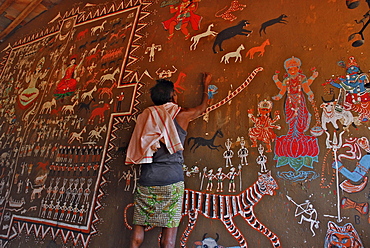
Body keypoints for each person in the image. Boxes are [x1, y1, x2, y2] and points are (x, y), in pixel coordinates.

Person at [126, 73, 211, 248]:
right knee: (168, 237)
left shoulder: (146, 117)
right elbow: (203, 108)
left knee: (139, 226)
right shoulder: (181, 115)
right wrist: (205, 85)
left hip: (147, 179)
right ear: (172, 96)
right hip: (171, 180)